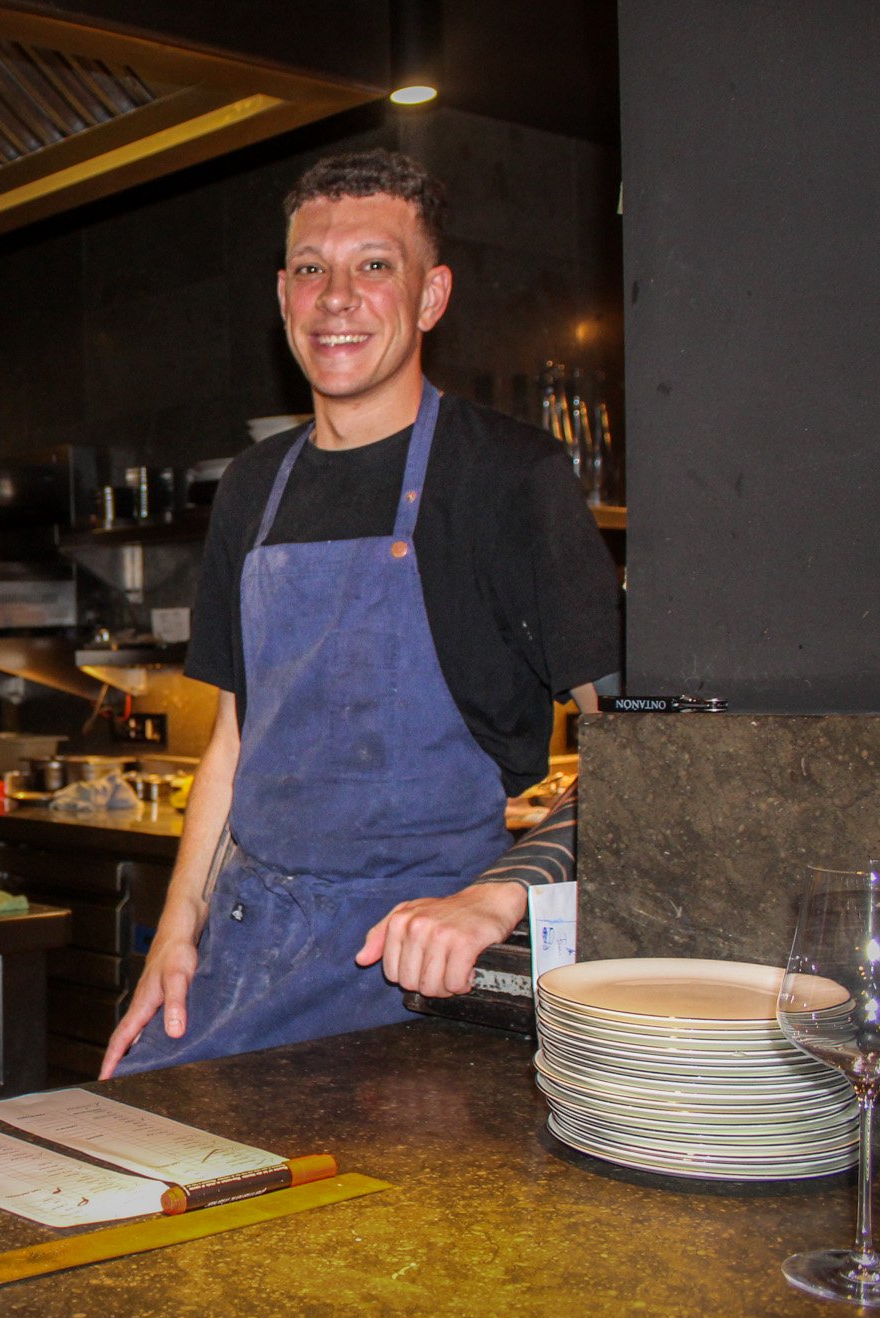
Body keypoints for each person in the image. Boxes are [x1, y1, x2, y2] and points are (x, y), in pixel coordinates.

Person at [100, 150, 620, 1079]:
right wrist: (175, 935)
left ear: (431, 296)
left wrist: (498, 897)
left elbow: (643, 760)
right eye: (311, 268)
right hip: (244, 953)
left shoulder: (510, 480)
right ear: (283, 294)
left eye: (375, 265)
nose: (336, 295)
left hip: (415, 971)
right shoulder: (253, 488)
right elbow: (231, 744)